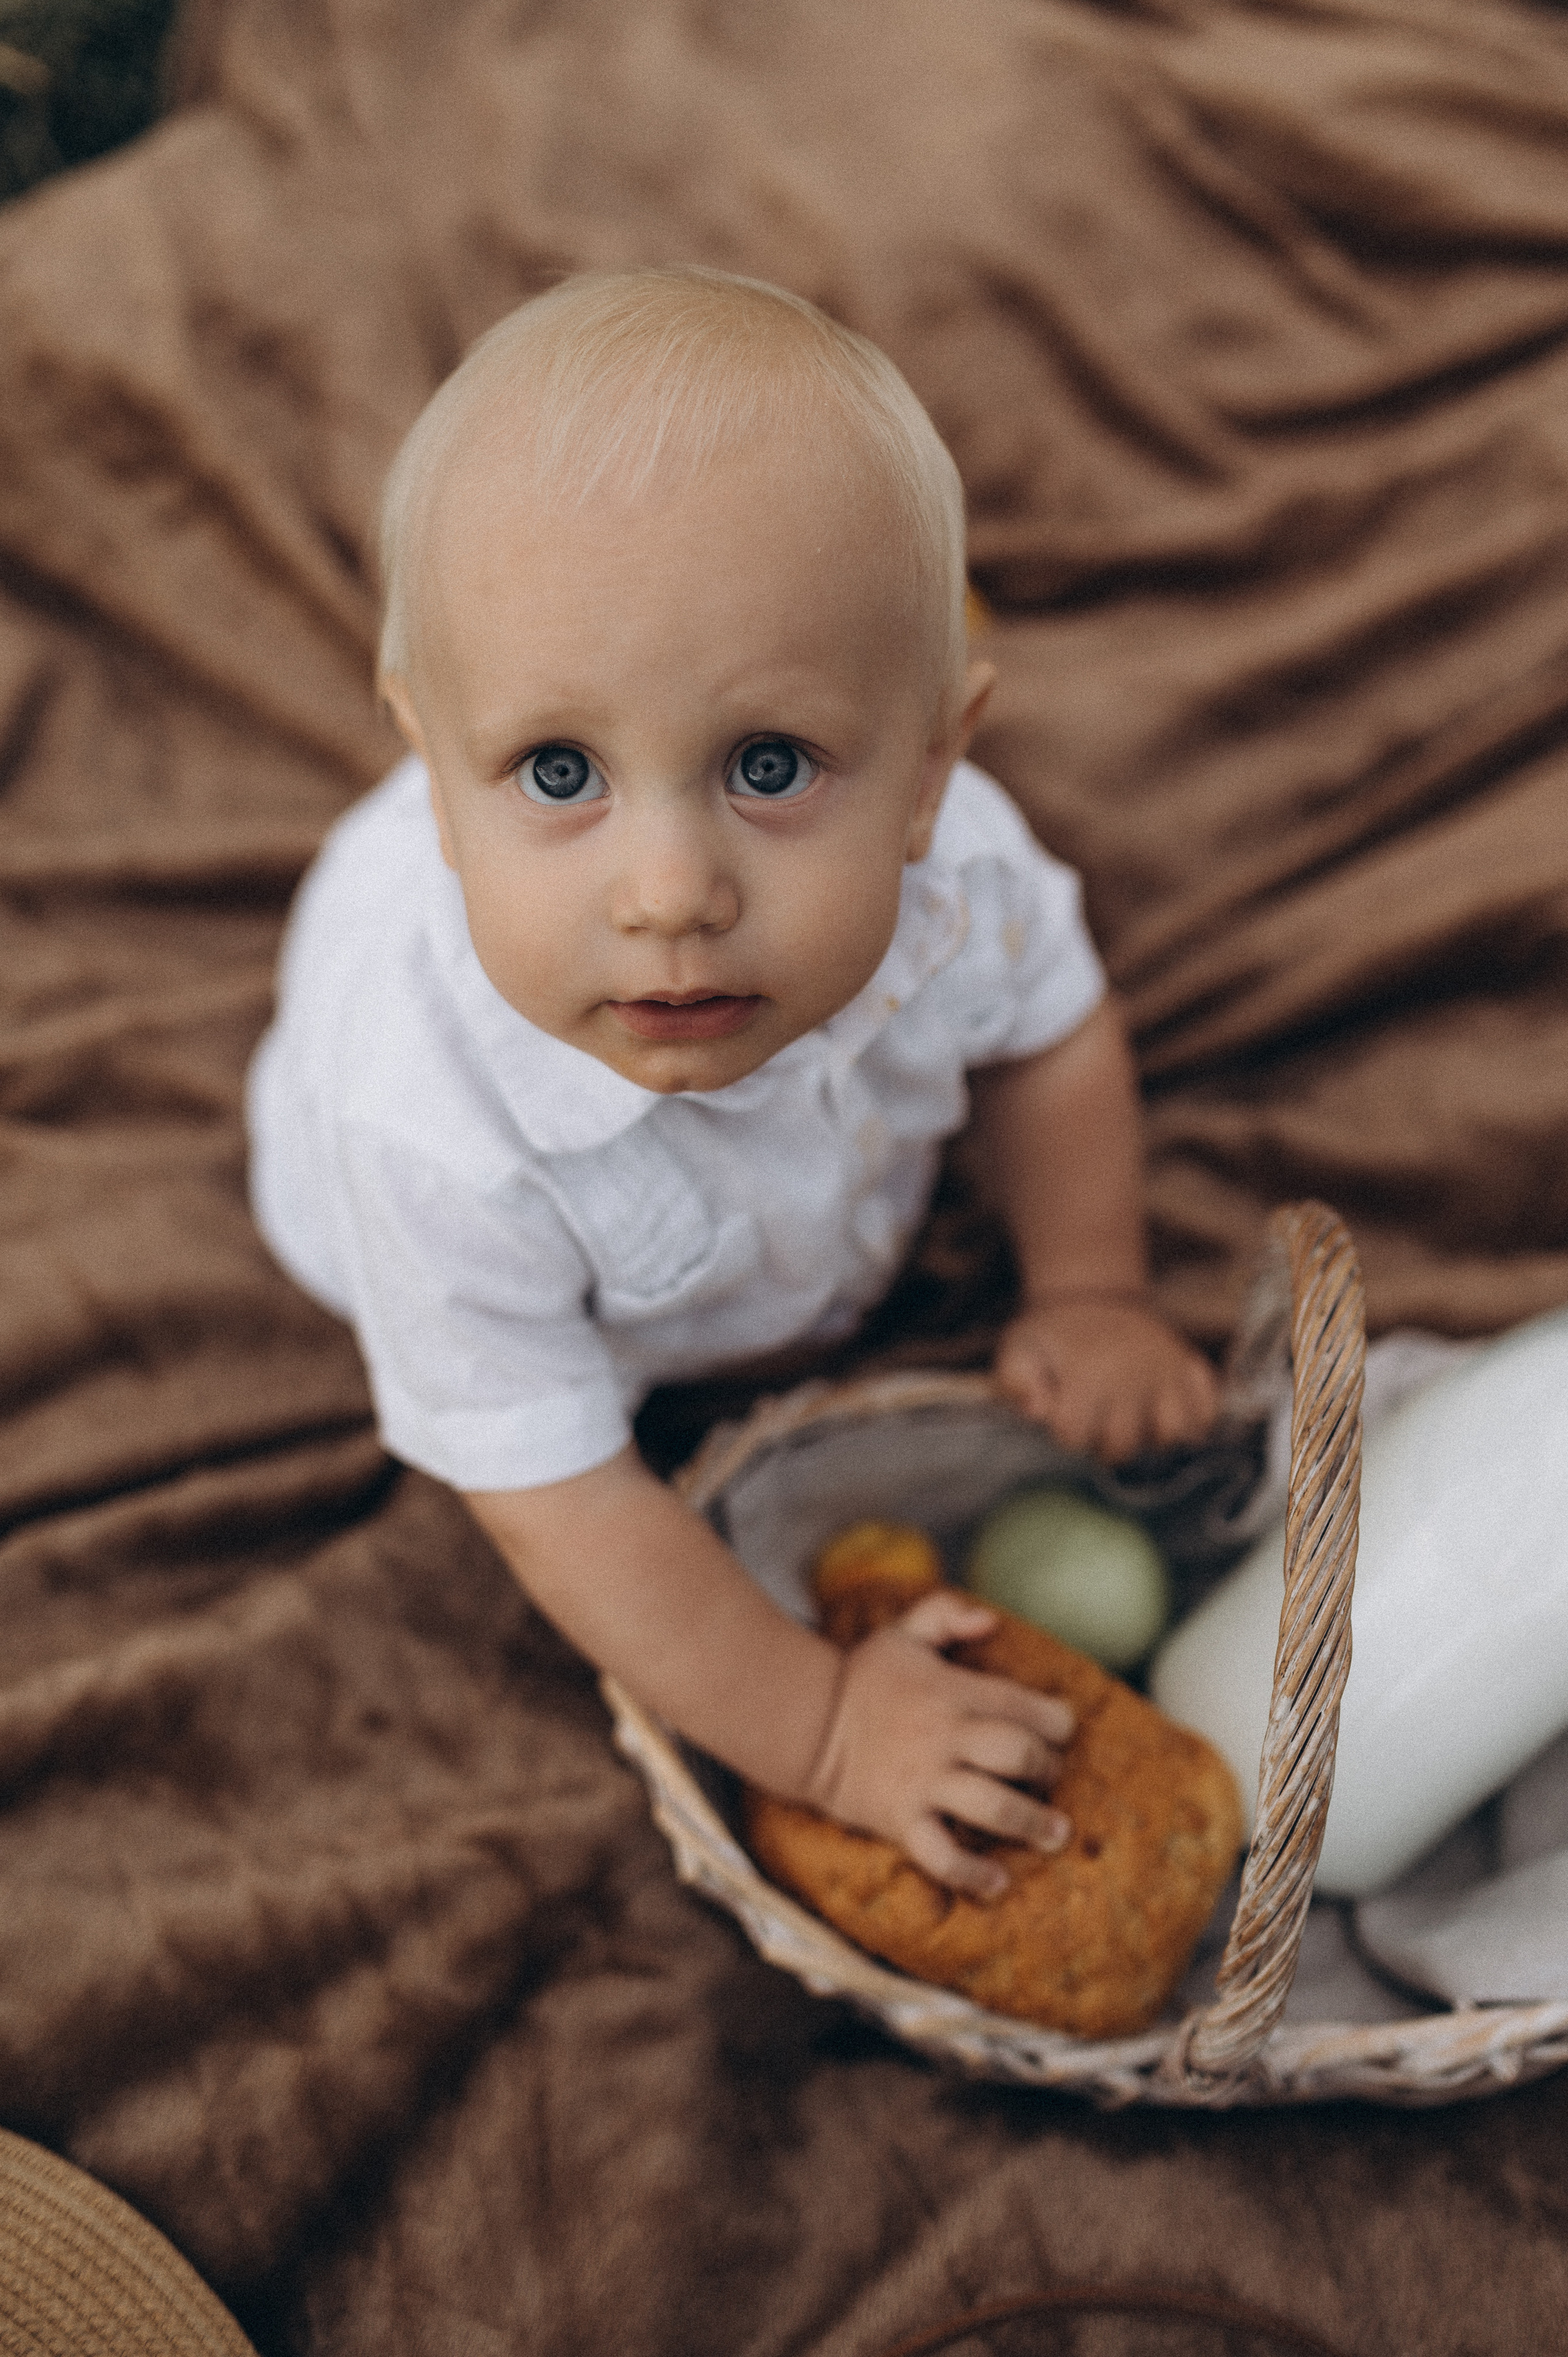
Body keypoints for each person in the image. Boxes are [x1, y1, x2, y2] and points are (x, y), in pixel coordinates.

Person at [247, 267, 1219, 1899]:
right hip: (482, 1285)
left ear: (931, 773)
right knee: (548, 1422)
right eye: (556, 772)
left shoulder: (960, 878)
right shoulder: (426, 1128)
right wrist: (828, 1727)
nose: (670, 890)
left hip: (780, 1208)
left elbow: (1054, 1033)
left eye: (769, 768)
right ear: (430, 763)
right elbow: (558, 1501)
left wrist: (1094, 1285)